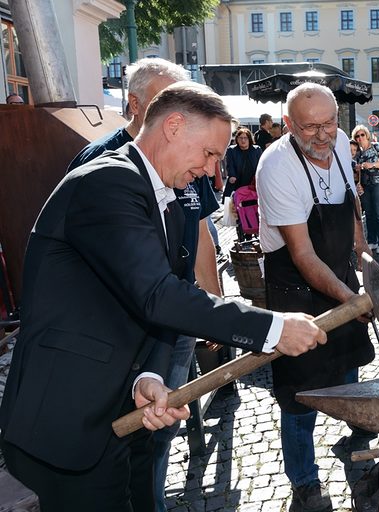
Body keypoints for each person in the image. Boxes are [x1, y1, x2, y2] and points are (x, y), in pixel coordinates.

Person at [0, 81, 325, 511]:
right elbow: (159, 295)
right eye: (209, 153)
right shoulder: (107, 182)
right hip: (62, 422)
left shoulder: (166, 200)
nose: (212, 171)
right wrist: (273, 326)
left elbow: (150, 305)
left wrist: (147, 377)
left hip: (110, 417)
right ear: (173, 126)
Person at [64, 57, 224, 512]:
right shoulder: (103, 163)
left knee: (160, 427)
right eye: (169, 101)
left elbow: (200, 235)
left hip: (176, 323)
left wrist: (212, 305)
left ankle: (150, 501)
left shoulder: (191, 163)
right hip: (127, 328)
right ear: (137, 106)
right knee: (126, 430)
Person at [256, 83, 375, 512]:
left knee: (351, 373)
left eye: (329, 124)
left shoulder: (340, 141)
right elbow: (304, 256)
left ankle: (358, 442)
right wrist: (350, 300)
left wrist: (366, 264)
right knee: (299, 394)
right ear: (288, 125)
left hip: (340, 274)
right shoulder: (276, 167)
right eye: (311, 128)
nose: (323, 137)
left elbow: (351, 208)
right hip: (296, 290)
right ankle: (304, 482)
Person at [352, 124, 379, 254]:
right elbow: (355, 170)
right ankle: (372, 240)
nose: (360, 137)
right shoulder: (358, 153)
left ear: (366, 135)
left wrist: (371, 164)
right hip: (365, 185)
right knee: (369, 214)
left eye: (362, 134)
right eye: (357, 136)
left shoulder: (377, 146)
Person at [223, 126, 262, 199]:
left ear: (249, 139)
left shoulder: (256, 149)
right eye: (240, 138)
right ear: (237, 139)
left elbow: (260, 166)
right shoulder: (232, 150)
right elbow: (230, 165)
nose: (243, 140)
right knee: (232, 204)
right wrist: (232, 175)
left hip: (252, 182)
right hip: (237, 181)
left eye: (245, 138)